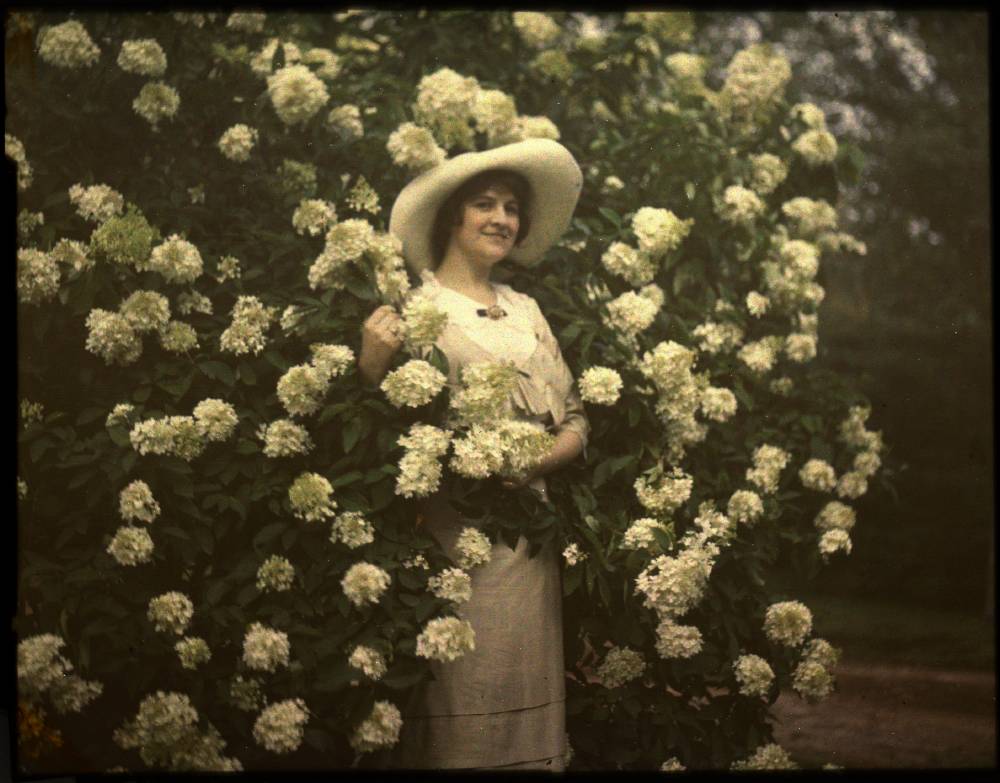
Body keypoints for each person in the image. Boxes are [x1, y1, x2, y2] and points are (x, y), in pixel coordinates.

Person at [357, 139, 589, 771]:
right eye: (484, 204)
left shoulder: (527, 310)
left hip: (528, 544)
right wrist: (370, 368)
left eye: (512, 208)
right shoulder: (420, 311)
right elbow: (384, 433)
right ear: (451, 220)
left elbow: (574, 421)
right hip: (451, 538)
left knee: (523, 697)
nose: (502, 219)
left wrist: (534, 461)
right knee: (456, 693)